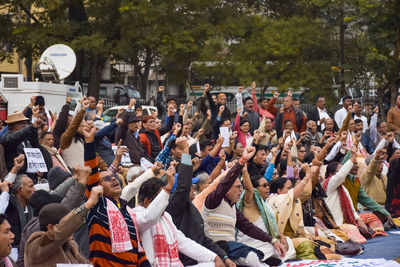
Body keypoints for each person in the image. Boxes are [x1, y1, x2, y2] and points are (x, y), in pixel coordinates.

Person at [202, 147, 285, 266]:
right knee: (251, 257)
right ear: (227, 190)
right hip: (216, 248)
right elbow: (225, 183)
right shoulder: (214, 201)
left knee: (274, 255)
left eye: (241, 187)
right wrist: (242, 161)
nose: (241, 190)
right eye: (237, 187)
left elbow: (248, 228)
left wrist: (272, 240)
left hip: (231, 248)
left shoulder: (233, 207)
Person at [83, 122, 151, 266]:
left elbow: (139, 251)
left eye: (114, 177)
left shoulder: (128, 212)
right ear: (98, 188)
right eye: (106, 179)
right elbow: (91, 172)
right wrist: (89, 142)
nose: (113, 178)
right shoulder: (98, 206)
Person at [165, 138, 235, 266]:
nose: (194, 187)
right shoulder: (174, 205)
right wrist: (185, 151)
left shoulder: (189, 206)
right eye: (192, 184)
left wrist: (224, 257)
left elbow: (203, 240)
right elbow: (184, 186)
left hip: (196, 258)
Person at [135, 172, 224, 266]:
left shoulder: (166, 217)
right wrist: (168, 187)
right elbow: (150, 217)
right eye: (162, 198)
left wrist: (214, 257)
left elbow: (183, 242)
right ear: (146, 201)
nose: (165, 202)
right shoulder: (137, 215)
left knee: (213, 264)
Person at [24, 189, 102, 267]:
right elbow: (59, 233)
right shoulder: (37, 245)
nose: (71, 229)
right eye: (66, 224)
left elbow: (86, 264)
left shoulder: (71, 245)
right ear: (50, 227)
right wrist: (88, 204)